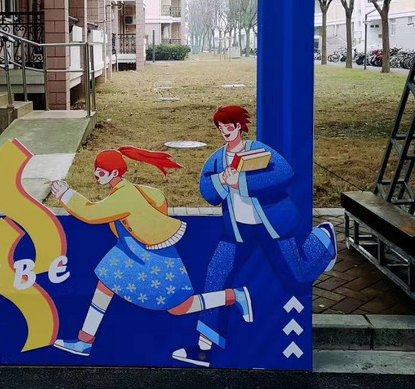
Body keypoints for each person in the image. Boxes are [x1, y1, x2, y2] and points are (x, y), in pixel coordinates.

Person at [172, 106, 336, 368]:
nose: (225, 132)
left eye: (229, 126)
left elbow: (284, 173)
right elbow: (207, 191)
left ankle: (323, 242)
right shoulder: (217, 159)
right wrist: (222, 181)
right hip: (237, 229)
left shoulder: (258, 149)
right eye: (220, 128)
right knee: (215, 276)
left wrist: (241, 182)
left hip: (271, 223)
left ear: (239, 126)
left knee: (297, 278)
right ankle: (204, 349)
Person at [51, 146, 252, 358]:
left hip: (153, 255)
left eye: (100, 172)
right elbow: (158, 199)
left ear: (114, 173)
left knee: (180, 306)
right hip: (131, 250)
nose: (96, 175)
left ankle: (233, 296)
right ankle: (85, 341)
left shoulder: (124, 195)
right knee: (105, 284)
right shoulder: (126, 189)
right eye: (96, 170)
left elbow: (92, 213)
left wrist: (66, 194)